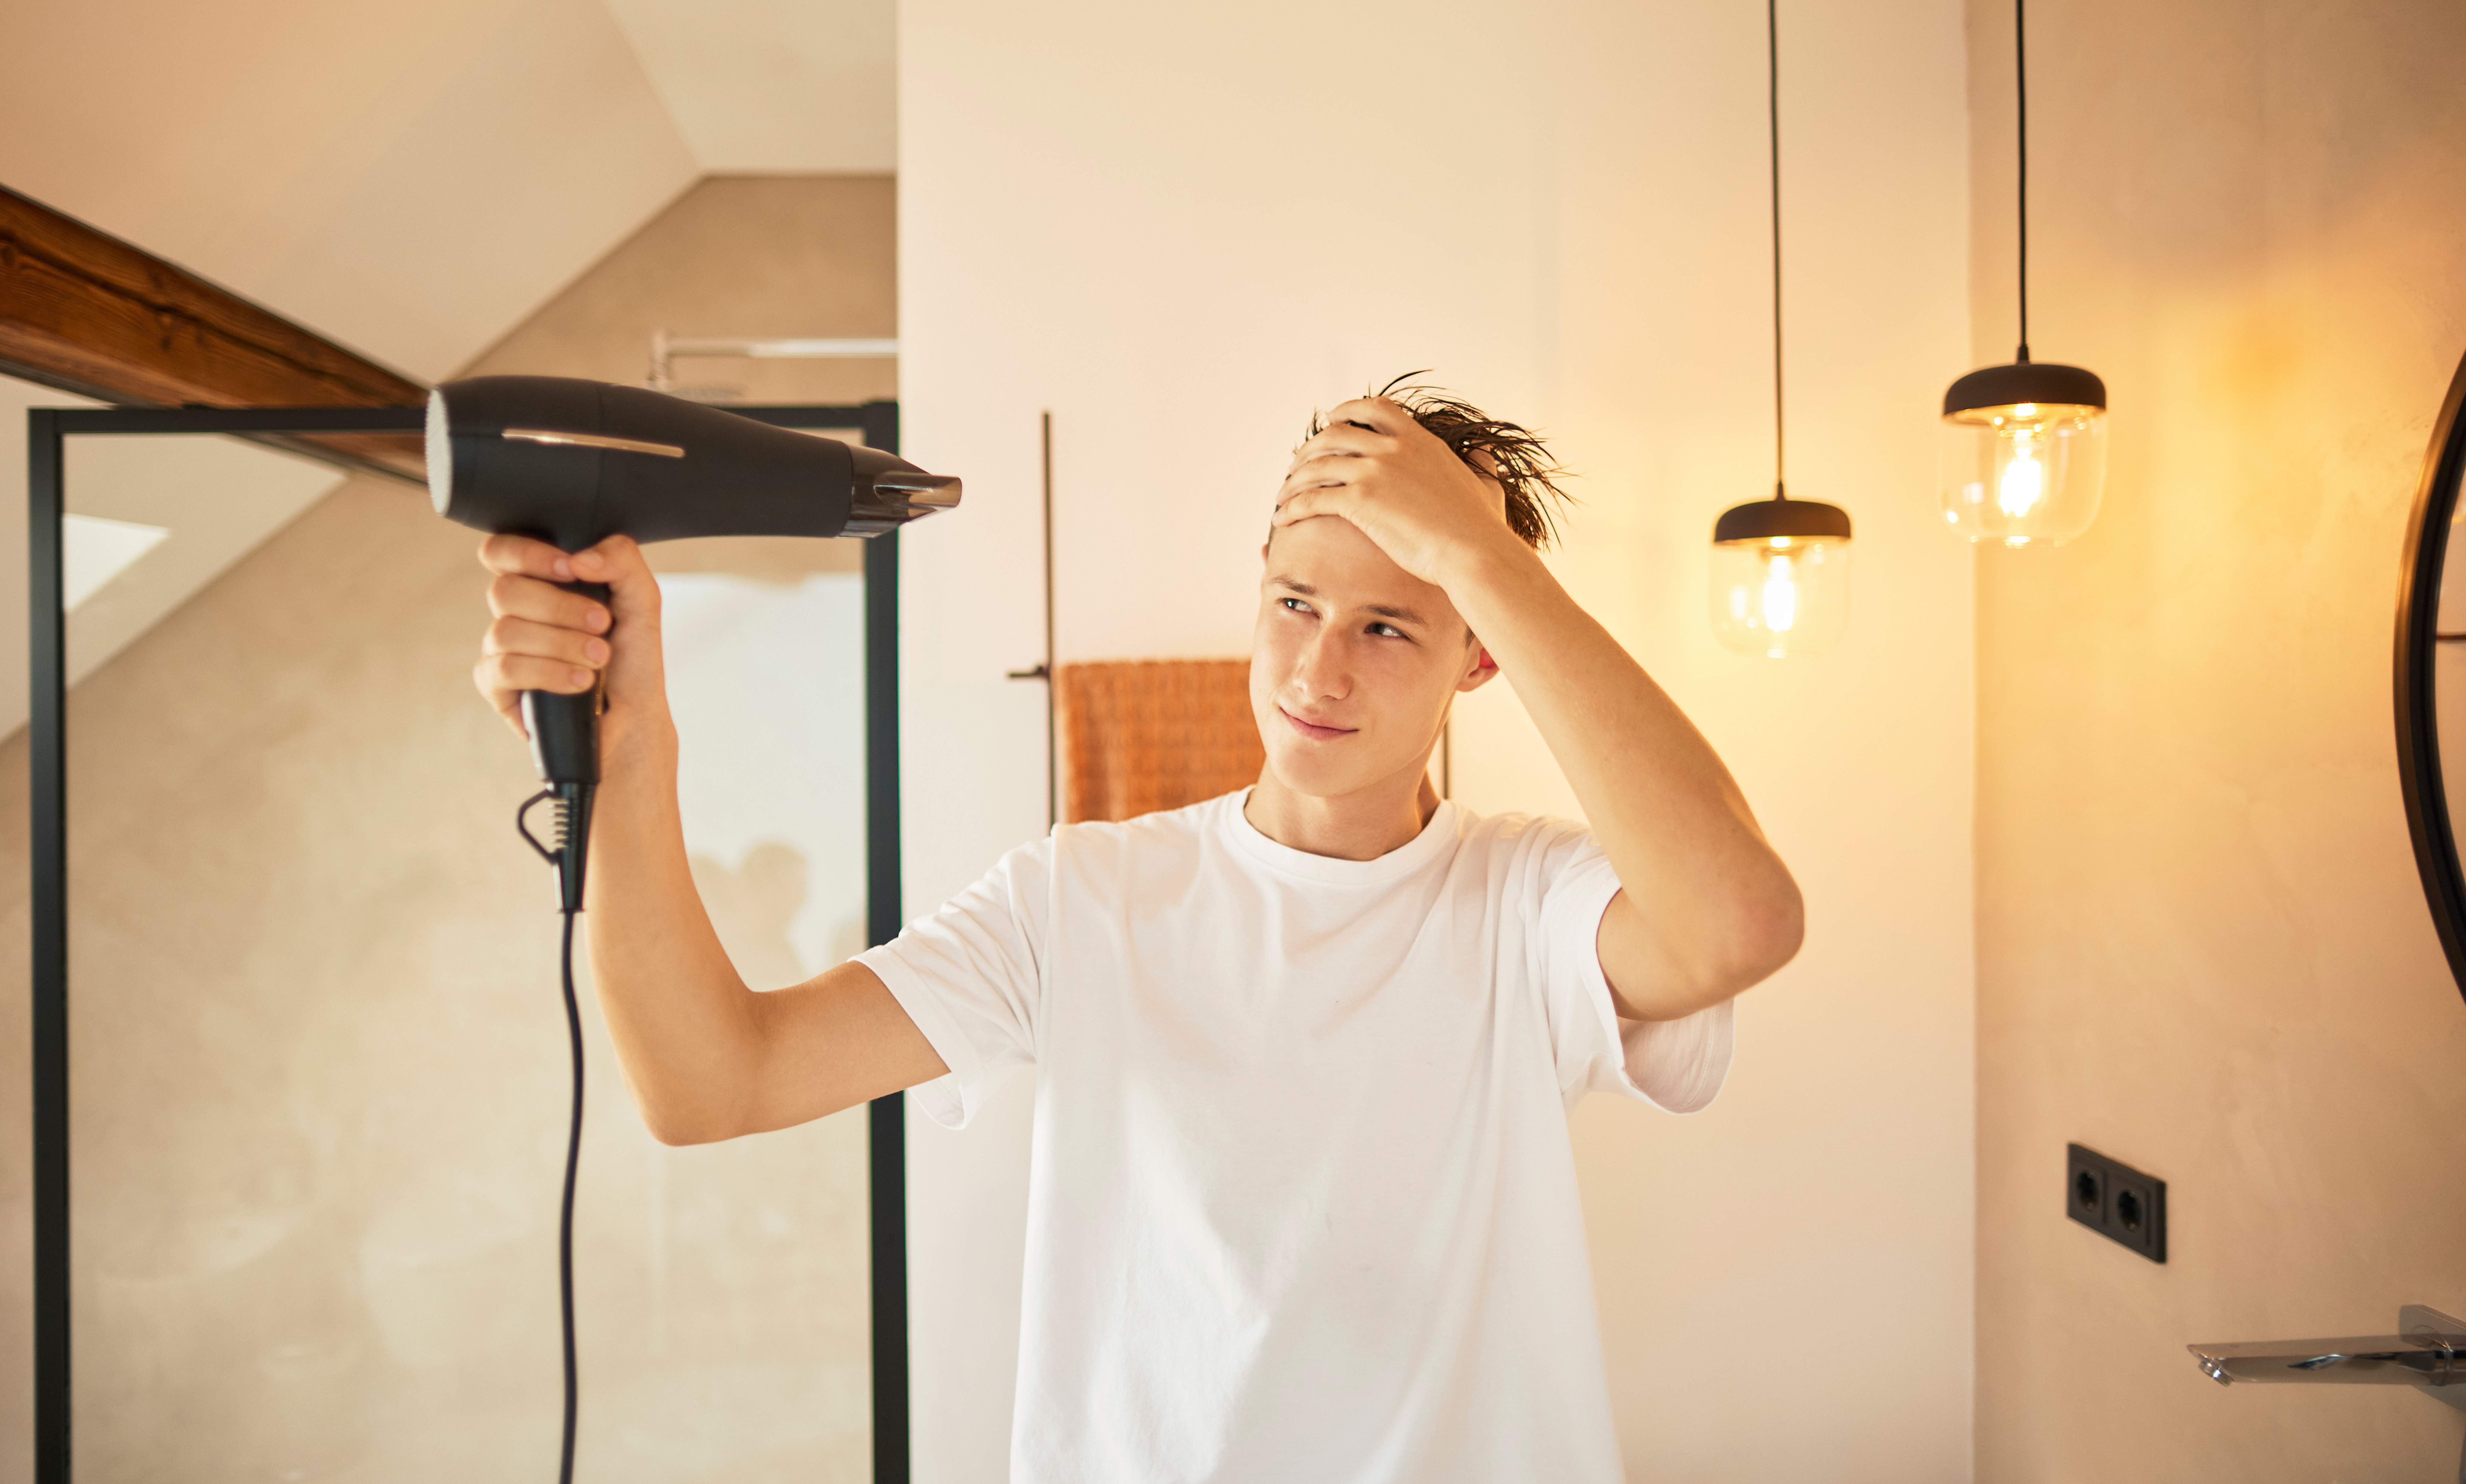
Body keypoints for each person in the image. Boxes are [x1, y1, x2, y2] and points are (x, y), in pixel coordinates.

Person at [472, 384, 1803, 1484]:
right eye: (1295, 603)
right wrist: (631, 747)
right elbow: (712, 1081)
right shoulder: (1081, 899)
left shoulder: (1529, 906)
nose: (1316, 670)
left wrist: (1482, 555)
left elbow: (1740, 920)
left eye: (1390, 626)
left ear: (1480, 654)